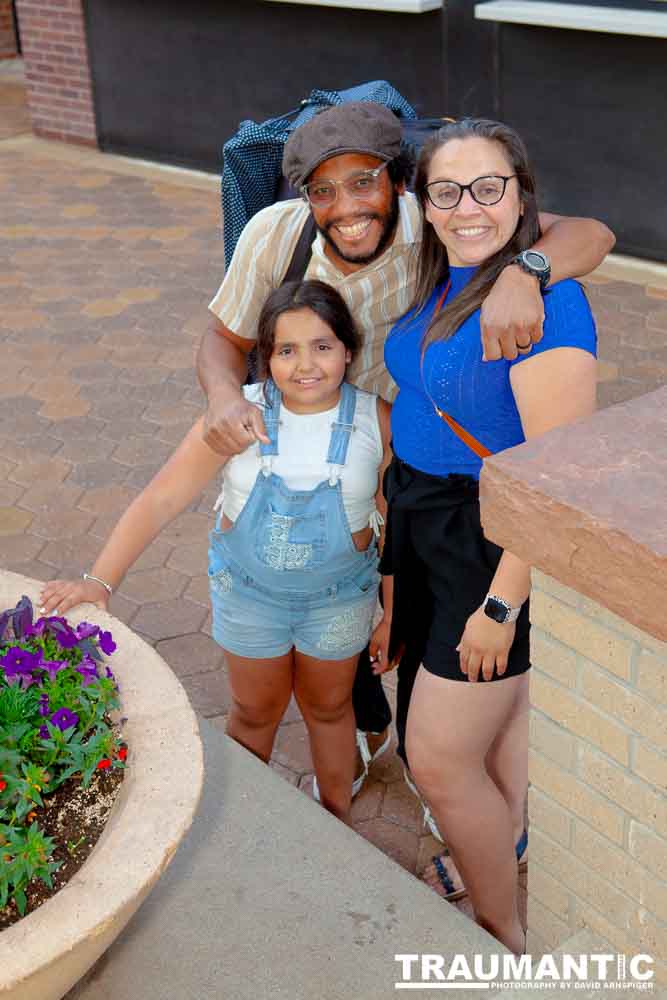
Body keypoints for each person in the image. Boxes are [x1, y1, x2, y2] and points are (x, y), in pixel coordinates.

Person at [196, 101, 614, 797]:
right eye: (322, 191)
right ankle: (367, 728)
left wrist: (525, 271)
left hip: (400, 450)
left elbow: (593, 234)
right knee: (351, 598)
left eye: (363, 182)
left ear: (397, 183)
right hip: (311, 452)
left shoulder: (442, 213)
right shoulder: (275, 235)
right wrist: (220, 395)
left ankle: (423, 752)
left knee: (389, 606)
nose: (345, 206)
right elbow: (221, 338)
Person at [38, 280, 392, 824]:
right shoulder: (236, 416)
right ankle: (237, 821)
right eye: (286, 350)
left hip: (338, 601)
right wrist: (99, 581)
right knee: (254, 711)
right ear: (264, 357)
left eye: (322, 346)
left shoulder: (376, 420)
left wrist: (393, 611)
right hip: (250, 597)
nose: (305, 365)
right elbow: (161, 497)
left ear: (348, 349)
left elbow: (398, 526)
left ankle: (335, 822)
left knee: (330, 708)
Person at [369, 117, 598, 953]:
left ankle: (501, 935)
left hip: (493, 546)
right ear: (422, 204)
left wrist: (501, 607)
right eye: (447, 190)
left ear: (521, 195)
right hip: (430, 522)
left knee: (433, 757)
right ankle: (502, 854)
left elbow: (555, 485)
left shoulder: (544, 307)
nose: (469, 206)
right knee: (495, 739)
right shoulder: (451, 274)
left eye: (489, 187)